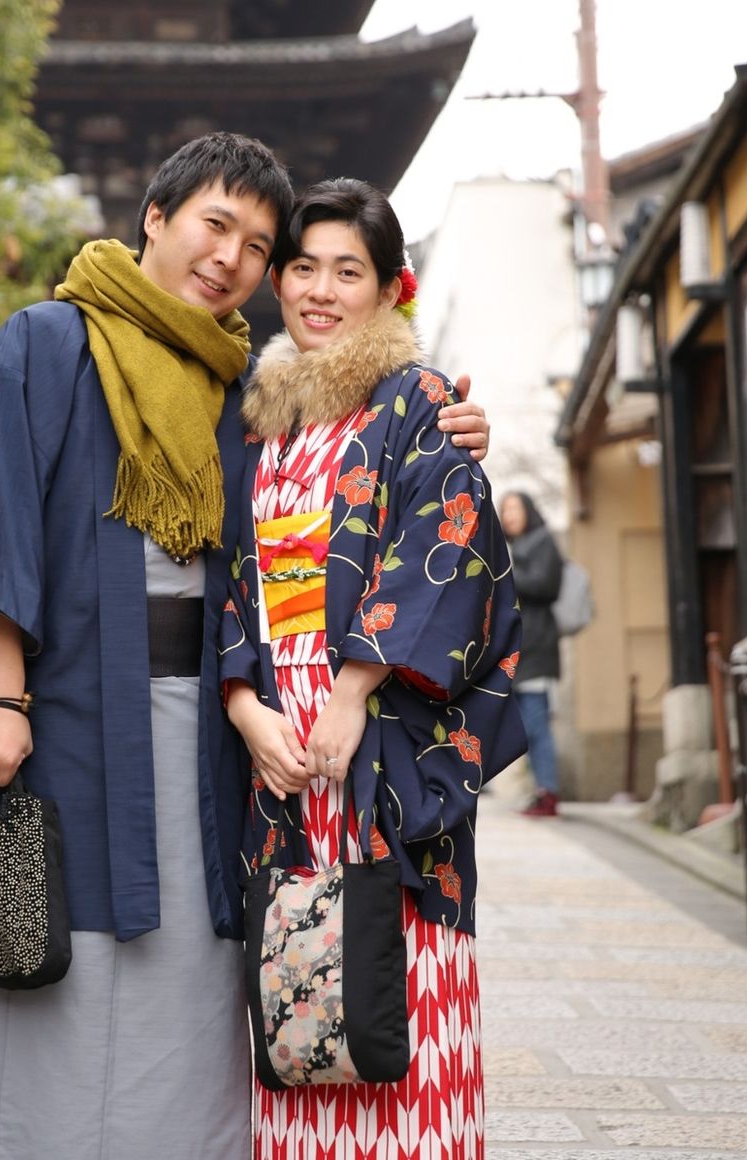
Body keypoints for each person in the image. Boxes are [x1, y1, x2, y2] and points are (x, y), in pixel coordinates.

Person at [0, 134, 493, 1159]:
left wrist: (451, 426)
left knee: (200, 962)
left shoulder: (243, 389)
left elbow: (326, 503)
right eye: (215, 225)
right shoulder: (49, 342)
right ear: (155, 216)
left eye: (258, 246)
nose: (231, 258)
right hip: (67, 707)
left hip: (208, 726)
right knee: (60, 952)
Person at [220, 178, 527, 1160]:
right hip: (281, 744)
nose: (321, 290)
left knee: (398, 989)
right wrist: (244, 707)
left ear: (391, 287)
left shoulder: (419, 402)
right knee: (300, 988)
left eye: (347, 271)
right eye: (303, 267)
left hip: (382, 737)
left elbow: (445, 544)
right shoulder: (259, 419)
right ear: (277, 281)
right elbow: (233, 578)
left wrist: (352, 689)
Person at [500, 491, 564, 817]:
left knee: (537, 724)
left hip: (536, 649)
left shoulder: (542, 541)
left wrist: (507, 573)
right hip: (518, 651)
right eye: (505, 509)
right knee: (525, 726)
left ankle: (548, 793)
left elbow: (547, 585)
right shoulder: (512, 546)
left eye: (515, 507)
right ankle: (539, 790)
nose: (509, 515)